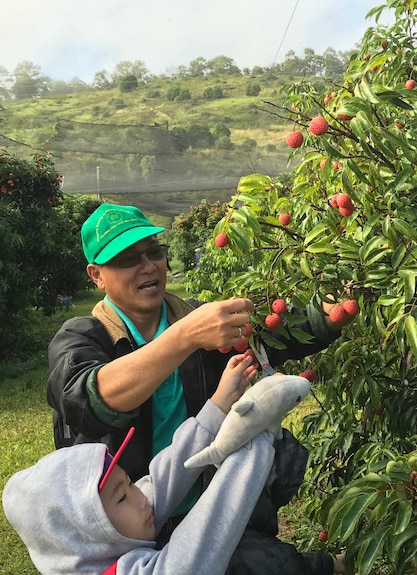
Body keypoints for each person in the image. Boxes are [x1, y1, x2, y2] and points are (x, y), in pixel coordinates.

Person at [47, 202, 352, 574]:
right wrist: (186, 335)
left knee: (271, 566)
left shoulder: (203, 323)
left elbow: (276, 334)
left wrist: (335, 310)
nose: (148, 267)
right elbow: (88, 399)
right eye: (128, 260)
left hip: (211, 500)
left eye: (153, 253)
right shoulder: (83, 338)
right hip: (129, 523)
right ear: (96, 275)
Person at [4, 355, 275, 575]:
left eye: (129, 484)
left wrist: (218, 405)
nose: (141, 498)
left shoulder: (107, 537)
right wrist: (255, 436)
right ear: (87, 533)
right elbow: (197, 550)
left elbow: (162, 480)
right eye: (122, 496)